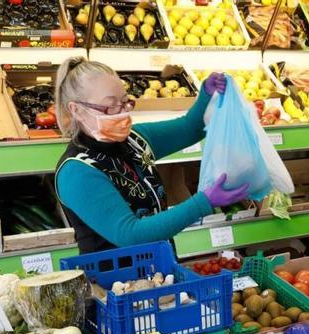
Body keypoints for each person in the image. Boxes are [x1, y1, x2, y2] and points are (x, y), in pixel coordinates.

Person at [54, 57, 250, 254]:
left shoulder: (135, 140)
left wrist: (207, 94)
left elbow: (189, 129)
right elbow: (130, 234)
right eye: (111, 106)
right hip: (116, 279)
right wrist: (203, 203)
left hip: (159, 270)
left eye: (125, 102)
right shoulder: (76, 171)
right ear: (77, 110)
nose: (122, 112)